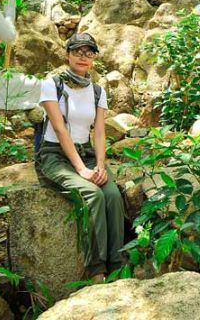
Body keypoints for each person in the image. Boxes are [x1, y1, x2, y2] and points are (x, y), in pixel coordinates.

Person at [36, 32, 125, 281]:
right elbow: (60, 129)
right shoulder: (52, 84)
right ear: (68, 55)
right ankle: (96, 269)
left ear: (93, 58)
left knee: (112, 195)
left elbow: (98, 133)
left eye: (89, 52)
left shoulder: (97, 91)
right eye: (77, 51)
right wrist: (82, 171)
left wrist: (98, 165)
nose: (83, 57)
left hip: (86, 154)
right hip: (54, 156)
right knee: (93, 195)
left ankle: (116, 263)